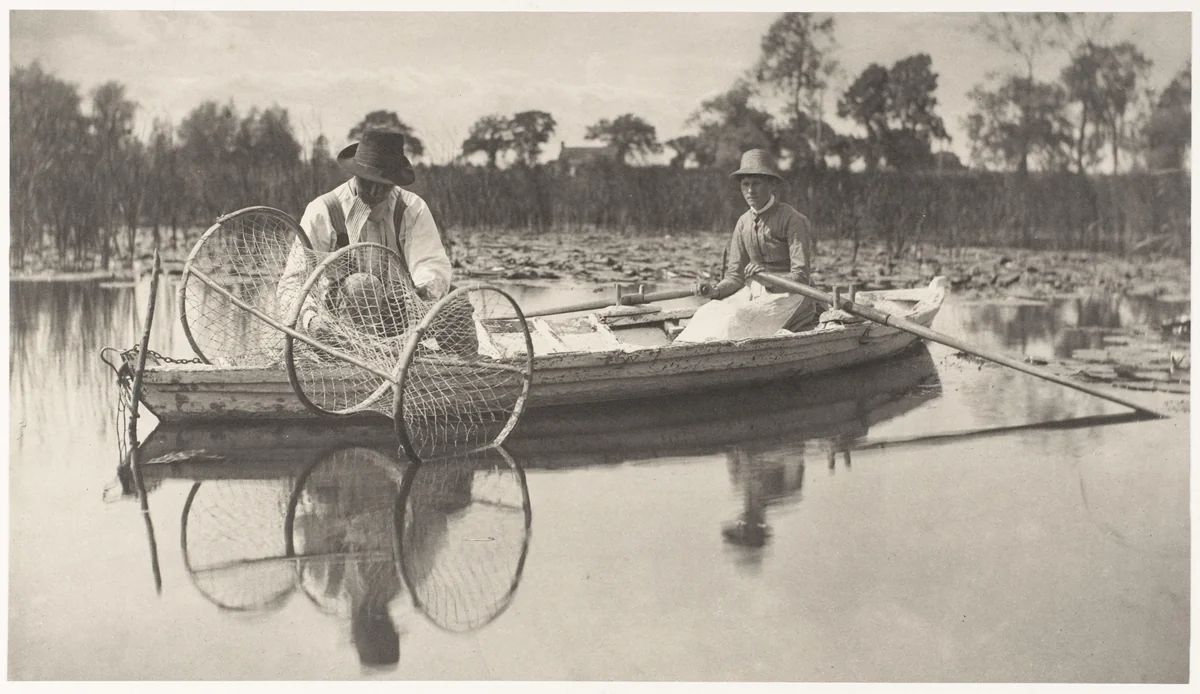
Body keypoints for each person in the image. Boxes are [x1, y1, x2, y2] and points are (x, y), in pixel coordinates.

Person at [278, 129, 454, 342]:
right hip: (338, 321)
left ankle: (463, 370)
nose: (374, 191)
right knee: (362, 285)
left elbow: (430, 263)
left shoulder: (412, 208)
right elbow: (293, 281)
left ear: (395, 181)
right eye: (367, 182)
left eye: (383, 185)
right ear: (355, 175)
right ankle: (358, 363)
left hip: (399, 314)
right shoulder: (323, 210)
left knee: (456, 301)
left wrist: (424, 291)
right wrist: (310, 320)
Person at [675, 149, 818, 343]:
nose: (750, 190)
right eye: (746, 184)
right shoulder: (743, 223)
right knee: (706, 312)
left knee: (736, 320)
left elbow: (801, 278)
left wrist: (769, 281)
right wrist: (715, 291)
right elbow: (735, 277)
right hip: (755, 293)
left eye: (757, 183)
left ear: (772, 184)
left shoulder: (792, 219)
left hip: (792, 297)